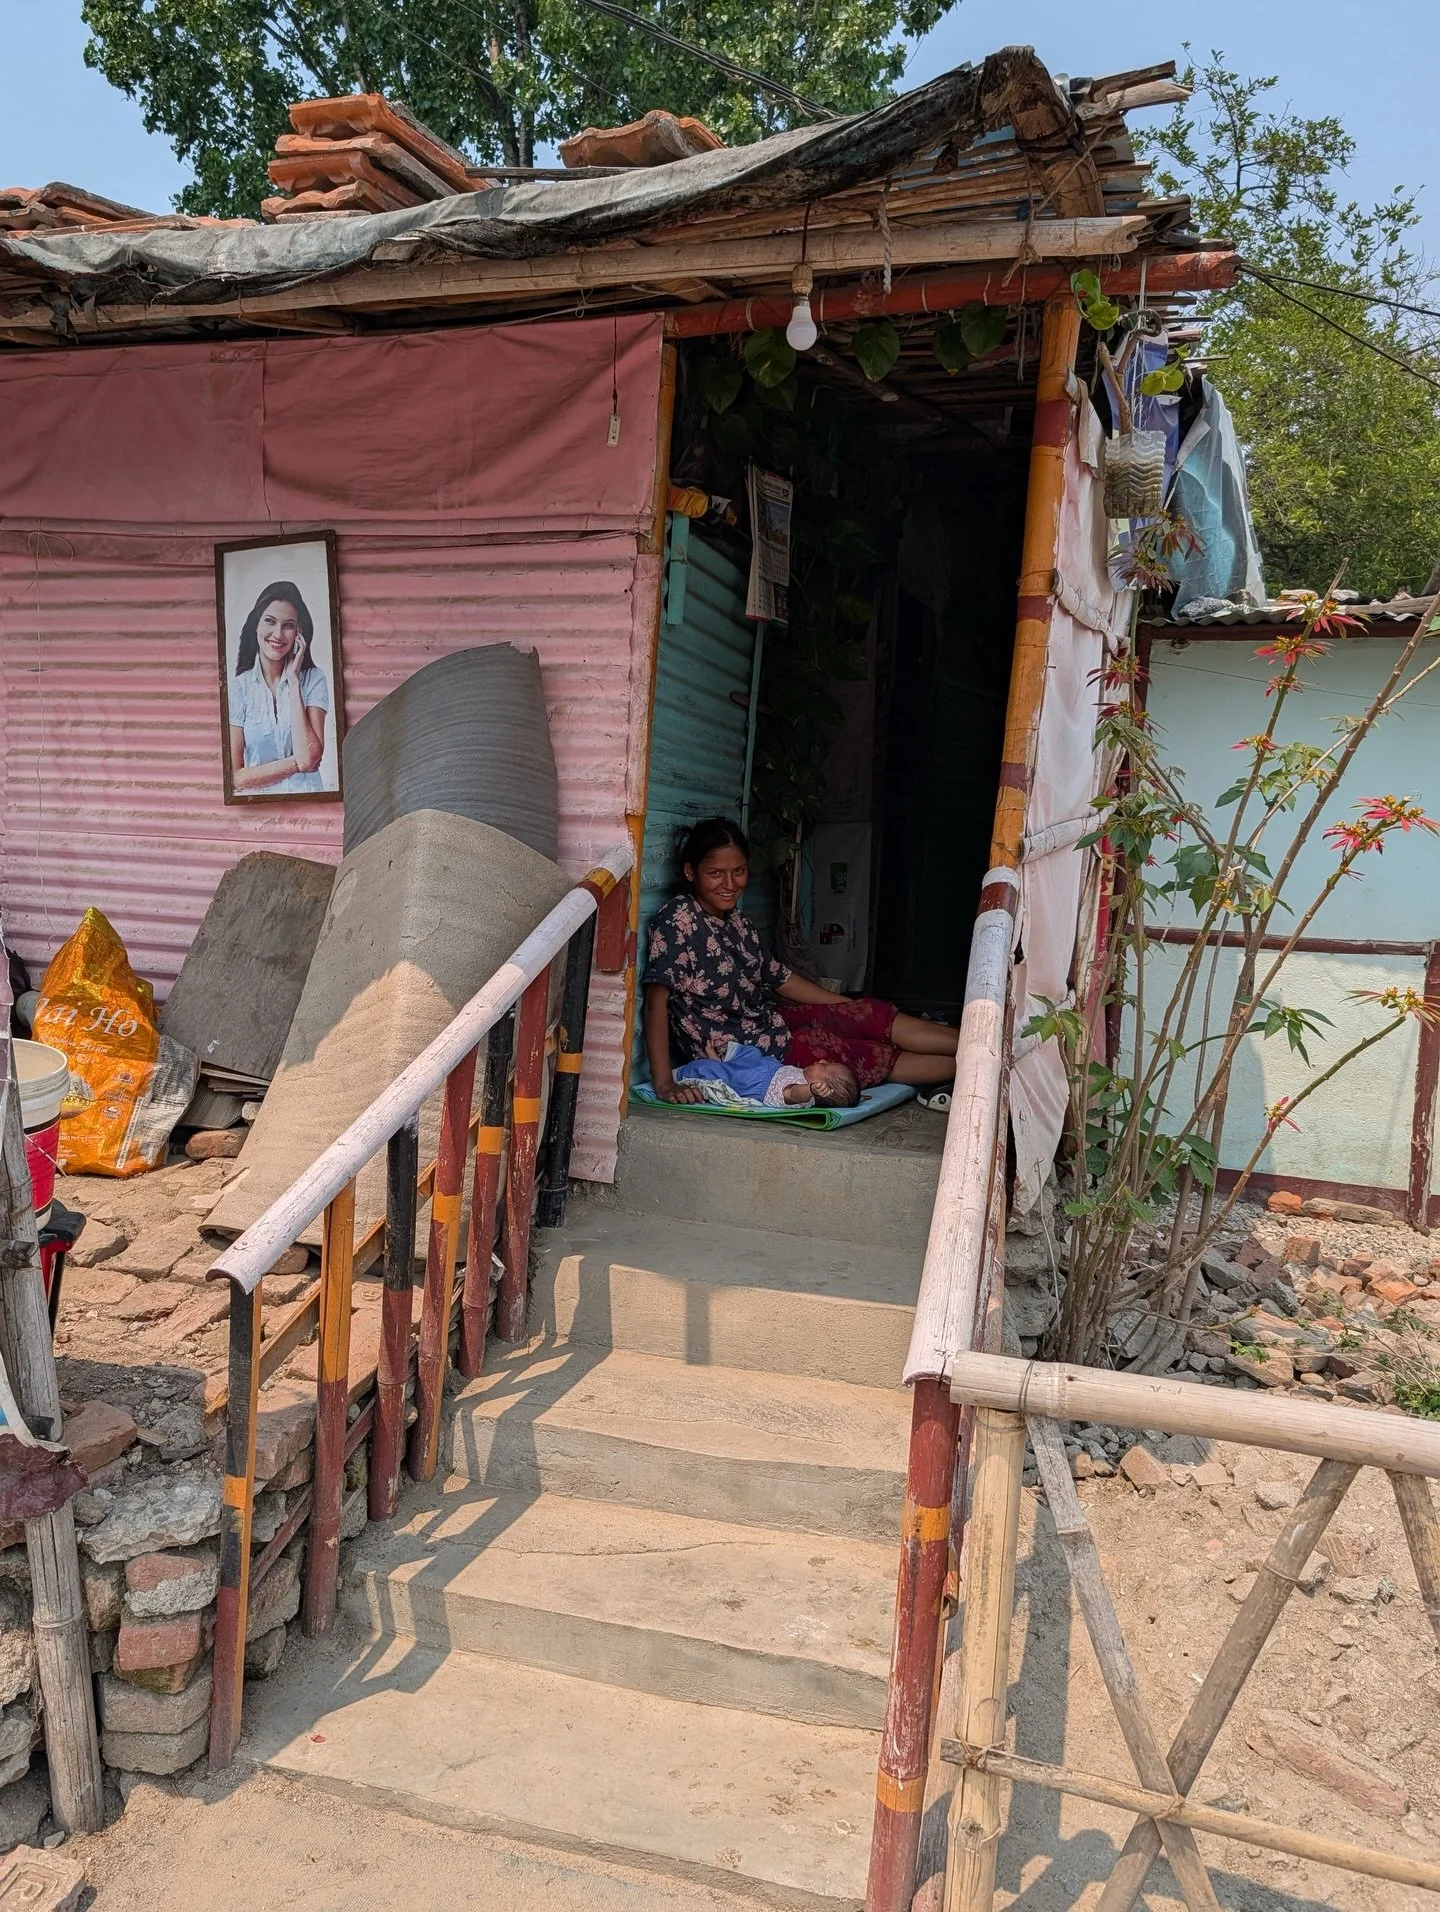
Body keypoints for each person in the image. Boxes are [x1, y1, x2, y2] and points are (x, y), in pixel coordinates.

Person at [642, 817, 960, 1105]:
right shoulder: (677, 921)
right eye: (715, 874)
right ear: (690, 872)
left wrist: (848, 1009)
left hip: (773, 1024)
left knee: (868, 1015)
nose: (730, 884)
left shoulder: (737, 921)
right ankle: (978, 1065)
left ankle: (978, 1043)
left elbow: (779, 978)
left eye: (738, 871)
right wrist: (665, 1083)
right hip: (752, 1058)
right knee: (867, 1055)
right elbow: (656, 1003)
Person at [228, 581, 332, 795]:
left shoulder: (314, 679)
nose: (277, 634)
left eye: (288, 625)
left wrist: (293, 682)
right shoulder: (239, 688)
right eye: (270, 621)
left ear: (298, 632)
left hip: (310, 804)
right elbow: (235, 777)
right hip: (259, 808)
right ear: (256, 625)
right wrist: (298, 762)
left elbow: (311, 755)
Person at [674, 1039, 860, 1110]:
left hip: (755, 1083)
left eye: (827, 1067)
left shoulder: (802, 1097)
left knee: (723, 1074)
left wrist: (810, 1090)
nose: (823, 1061)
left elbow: (793, 1094)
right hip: (765, 1067)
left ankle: (680, 1074)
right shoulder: (801, 1073)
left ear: (822, 1087)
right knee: (751, 1053)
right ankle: (723, 1064)